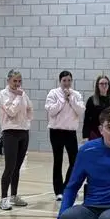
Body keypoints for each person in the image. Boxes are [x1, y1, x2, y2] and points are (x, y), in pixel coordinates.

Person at [0, 69, 33, 211]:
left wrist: (26, 122)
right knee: (9, 167)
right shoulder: (3, 94)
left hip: (23, 132)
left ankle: (14, 195)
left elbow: (30, 108)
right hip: (10, 132)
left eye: (19, 81)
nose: (17, 84)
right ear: (8, 81)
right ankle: (3, 199)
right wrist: (18, 97)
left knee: (18, 166)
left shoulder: (23, 93)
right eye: (15, 81)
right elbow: (11, 111)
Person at [45, 71, 84, 201]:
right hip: (56, 131)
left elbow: (80, 110)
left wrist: (71, 99)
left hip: (70, 132)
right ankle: (58, 191)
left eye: (69, 80)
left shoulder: (76, 94)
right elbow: (51, 111)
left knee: (75, 161)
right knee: (58, 160)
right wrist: (62, 100)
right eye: (64, 80)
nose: (66, 83)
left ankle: (67, 187)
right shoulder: (53, 93)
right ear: (60, 81)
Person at [83, 74, 110, 142]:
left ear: (109, 85)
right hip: (94, 133)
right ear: (97, 85)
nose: (104, 86)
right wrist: (85, 135)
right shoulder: (91, 100)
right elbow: (87, 119)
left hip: (108, 132)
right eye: (101, 84)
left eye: (106, 83)